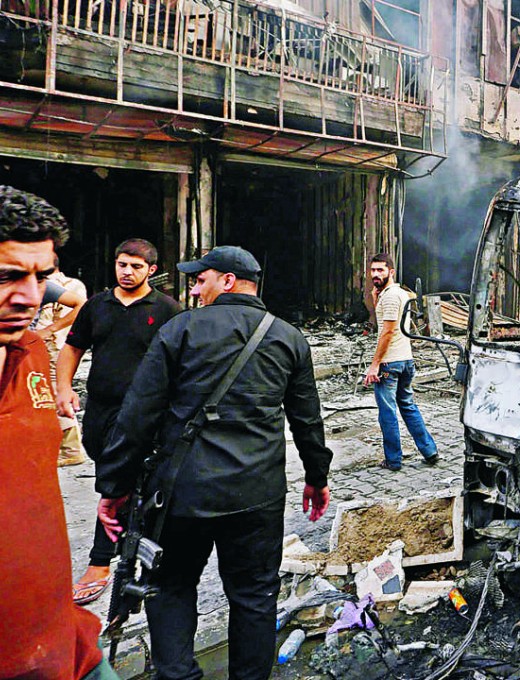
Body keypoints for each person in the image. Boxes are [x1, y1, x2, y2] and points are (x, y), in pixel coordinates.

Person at [96, 245, 332, 679]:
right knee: (255, 597)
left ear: (227, 281)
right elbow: (307, 420)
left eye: (199, 279)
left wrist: (114, 487)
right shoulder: (288, 337)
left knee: (169, 590)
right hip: (256, 497)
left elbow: (137, 416)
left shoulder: (179, 330)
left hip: (182, 496)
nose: (193, 288)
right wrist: (317, 478)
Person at [0, 185, 114, 679]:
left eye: (40, 277)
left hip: (70, 649)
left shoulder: (29, 351)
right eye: (7, 276)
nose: (28, 297)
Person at [56, 238, 182, 605]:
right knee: (113, 475)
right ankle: (129, 543)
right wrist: (63, 388)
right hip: (100, 408)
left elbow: (181, 362)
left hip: (143, 413)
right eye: (122, 265)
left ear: (152, 271)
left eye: (137, 267)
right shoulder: (97, 305)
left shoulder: (167, 310)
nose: (128, 272)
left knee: (118, 480)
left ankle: (100, 561)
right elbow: (72, 348)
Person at [363, 253, 440, 471]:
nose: (375, 274)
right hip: (406, 360)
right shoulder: (401, 294)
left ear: (391, 272)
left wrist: (375, 364)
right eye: (373, 270)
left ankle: (393, 460)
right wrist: (375, 296)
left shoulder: (389, 297)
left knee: (387, 412)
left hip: (390, 363)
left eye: (380, 270)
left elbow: (387, 332)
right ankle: (429, 451)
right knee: (408, 406)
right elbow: (384, 321)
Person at [35, 256, 88, 465]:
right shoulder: (72, 285)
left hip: (54, 348)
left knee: (54, 395)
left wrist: (49, 331)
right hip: (56, 346)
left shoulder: (54, 287)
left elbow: (78, 310)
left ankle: (70, 449)